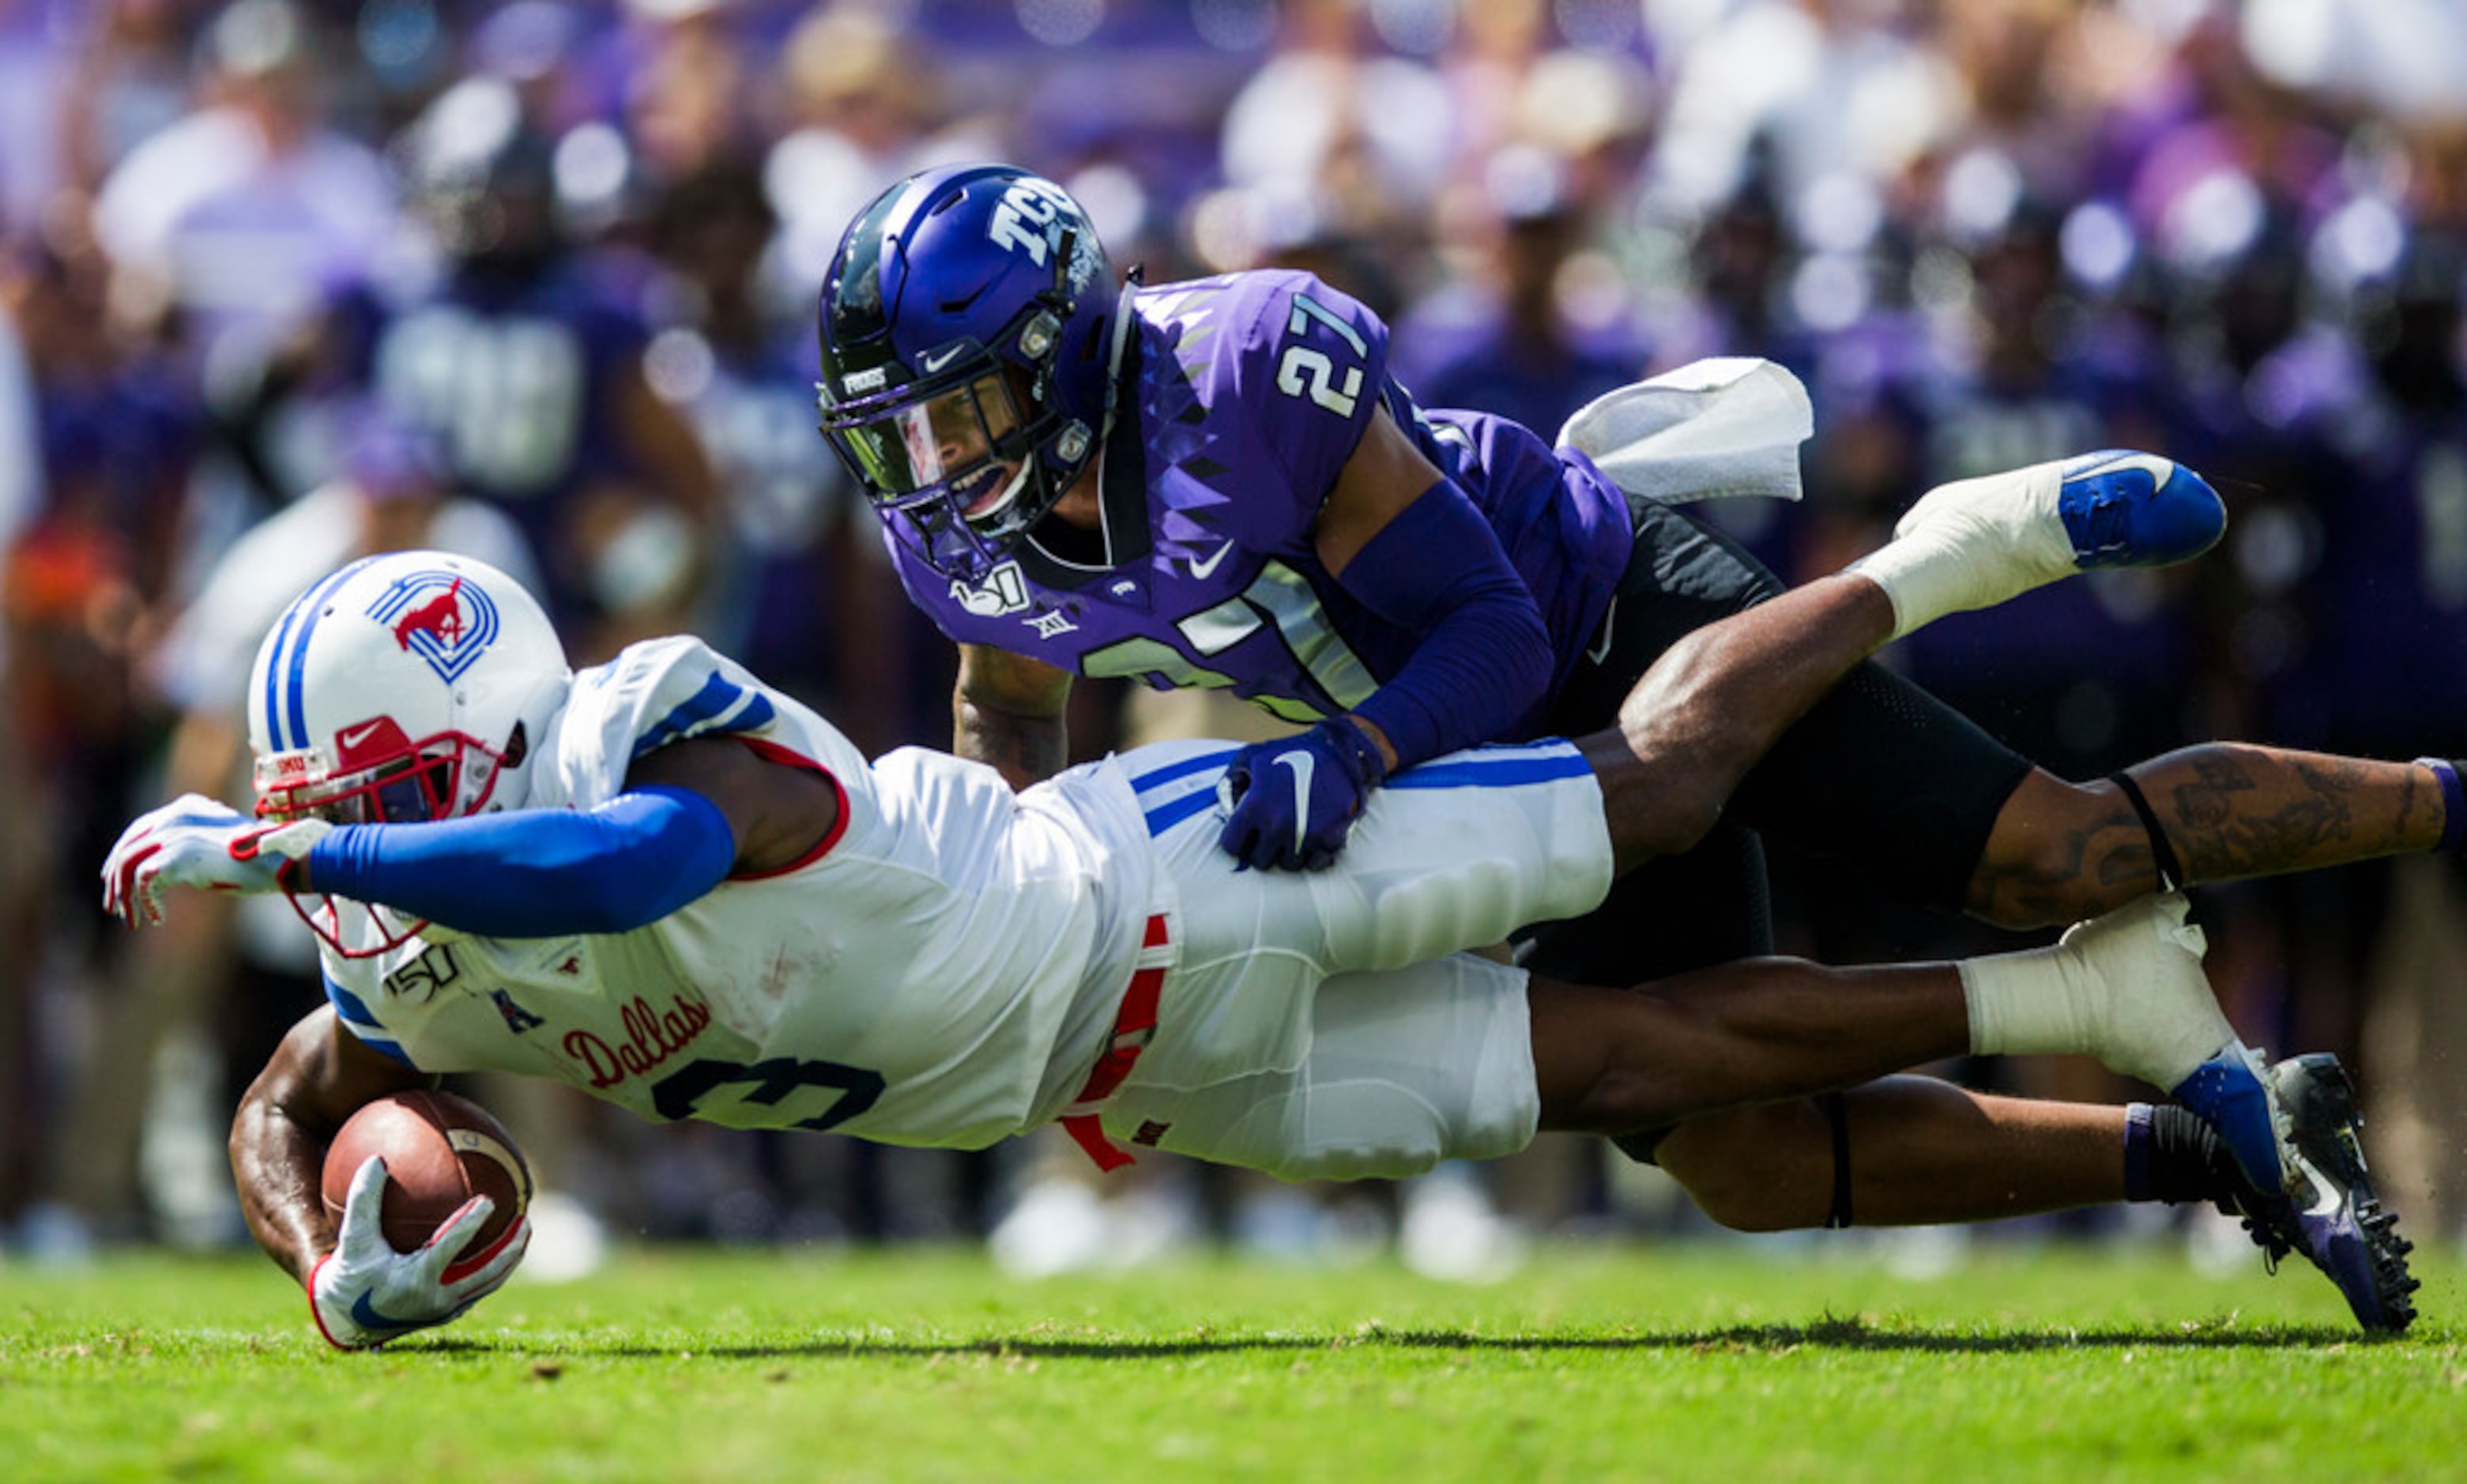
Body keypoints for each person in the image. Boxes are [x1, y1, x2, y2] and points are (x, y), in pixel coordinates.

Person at [105, 533, 2411, 1348]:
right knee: (1635, 1078)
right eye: (348, 820)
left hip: (1159, 875)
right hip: (1143, 1075)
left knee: (1652, 796)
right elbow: (293, 1087)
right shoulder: (398, 920)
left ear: (499, 731)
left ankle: (1938, 551)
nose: (352, 860)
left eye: (394, 807)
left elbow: (620, 872)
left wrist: (366, 870)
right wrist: (324, 1249)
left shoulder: (646, 735)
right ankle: (2106, 1027)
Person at [810, 164, 2467, 1177]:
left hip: (1601, 611)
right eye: (902, 436)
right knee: (1717, 1141)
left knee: (2056, 852)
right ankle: (2188, 1158)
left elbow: (1497, 634)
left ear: (1065, 357)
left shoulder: (1240, 374)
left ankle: (2421, 789)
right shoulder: (960, 532)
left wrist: (1360, 756)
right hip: (1437, 737)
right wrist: (1032, 910)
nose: (932, 468)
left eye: (956, 415)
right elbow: (1008, 697)